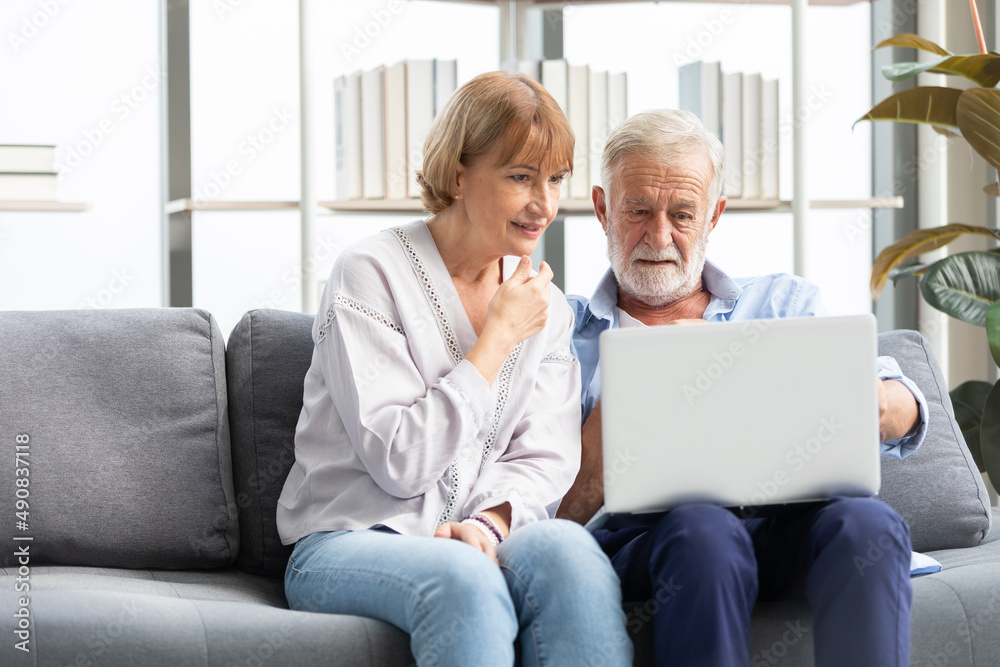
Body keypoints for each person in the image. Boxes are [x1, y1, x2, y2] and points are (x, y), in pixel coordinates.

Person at [276, 71, 632, 667]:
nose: (544, 205)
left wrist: (490, 525)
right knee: (463, 580)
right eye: (521, 177)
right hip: (349, 539)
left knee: (570, 554)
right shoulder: (370, 273)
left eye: (555, 180)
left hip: (474, 537)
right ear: (459, 173)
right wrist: (495, 339)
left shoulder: (542, 306)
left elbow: (544, 457)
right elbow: (399, 463)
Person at [556, 109, 928, 667]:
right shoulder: (561, 333)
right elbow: (556, 514)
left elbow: (902, 411)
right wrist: (643, 385)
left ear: (714, 216)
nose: (659, 236)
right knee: (703, 530)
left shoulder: (783, 303)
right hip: (650, 545)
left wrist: (867, 402)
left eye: (682, 214)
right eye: (638, 210)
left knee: (867, 522)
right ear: (604, 209)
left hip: (782, 529)